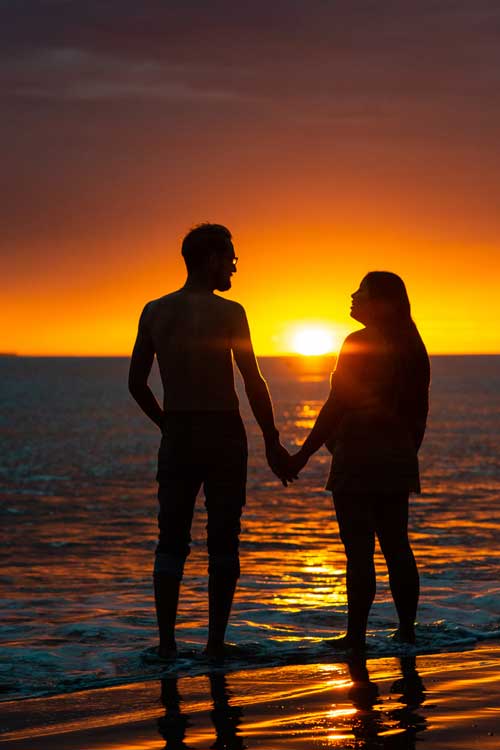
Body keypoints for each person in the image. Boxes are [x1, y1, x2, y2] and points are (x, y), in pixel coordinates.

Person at [128, 223, 290, 659]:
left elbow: (136, 384)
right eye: (230, 257)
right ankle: (214, 645)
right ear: (210, 259)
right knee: (223, 539)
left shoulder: (155, 311)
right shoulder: (230, 313)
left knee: (171, 539)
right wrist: (272, 440)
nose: (235, 266)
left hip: (179, 433)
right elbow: (253, 381)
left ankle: (165, 645)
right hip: (222, 434)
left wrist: (167, 424)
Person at [289, 271, 430, 650]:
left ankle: (356, 636)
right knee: (397, 545)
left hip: (358, 457)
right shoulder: (413, 346)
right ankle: (407, 631)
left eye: (361, 292)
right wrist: (407, 448)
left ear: (380, 302)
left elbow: (337, 403)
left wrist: (301, 456)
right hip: (396, 456)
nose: (352, 296)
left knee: (359, 552)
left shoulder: (359, 342)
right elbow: (420, 412)